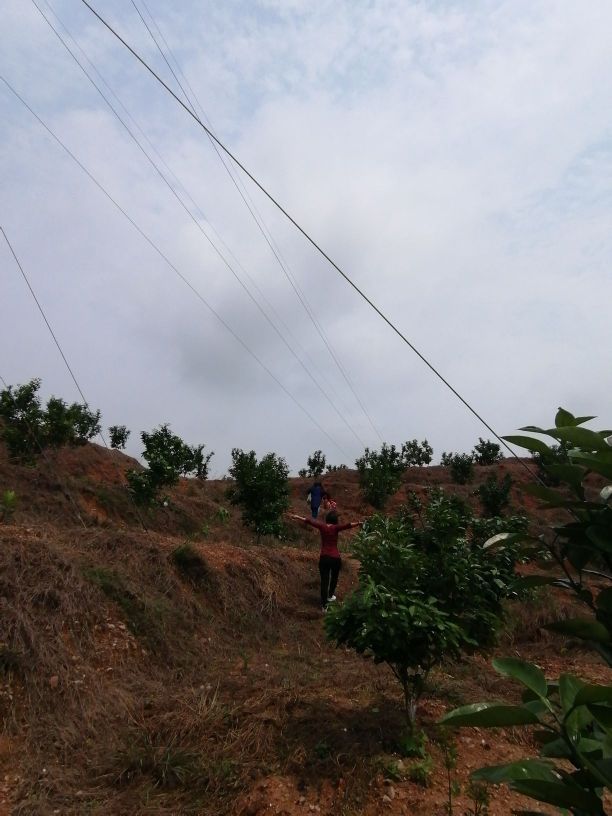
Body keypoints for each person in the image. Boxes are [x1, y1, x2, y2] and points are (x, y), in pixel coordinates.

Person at [289, 510, 364, 611]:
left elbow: (309, 521)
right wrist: (359, 523)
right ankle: (330, 595)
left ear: (327, 519)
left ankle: (324, 606)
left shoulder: (322, 526)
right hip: (335, 558)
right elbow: (348, 525)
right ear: (335, 520)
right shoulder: (336, 528)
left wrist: (297, 517)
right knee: (334, 577)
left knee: (324, 581)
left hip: (324, 557)